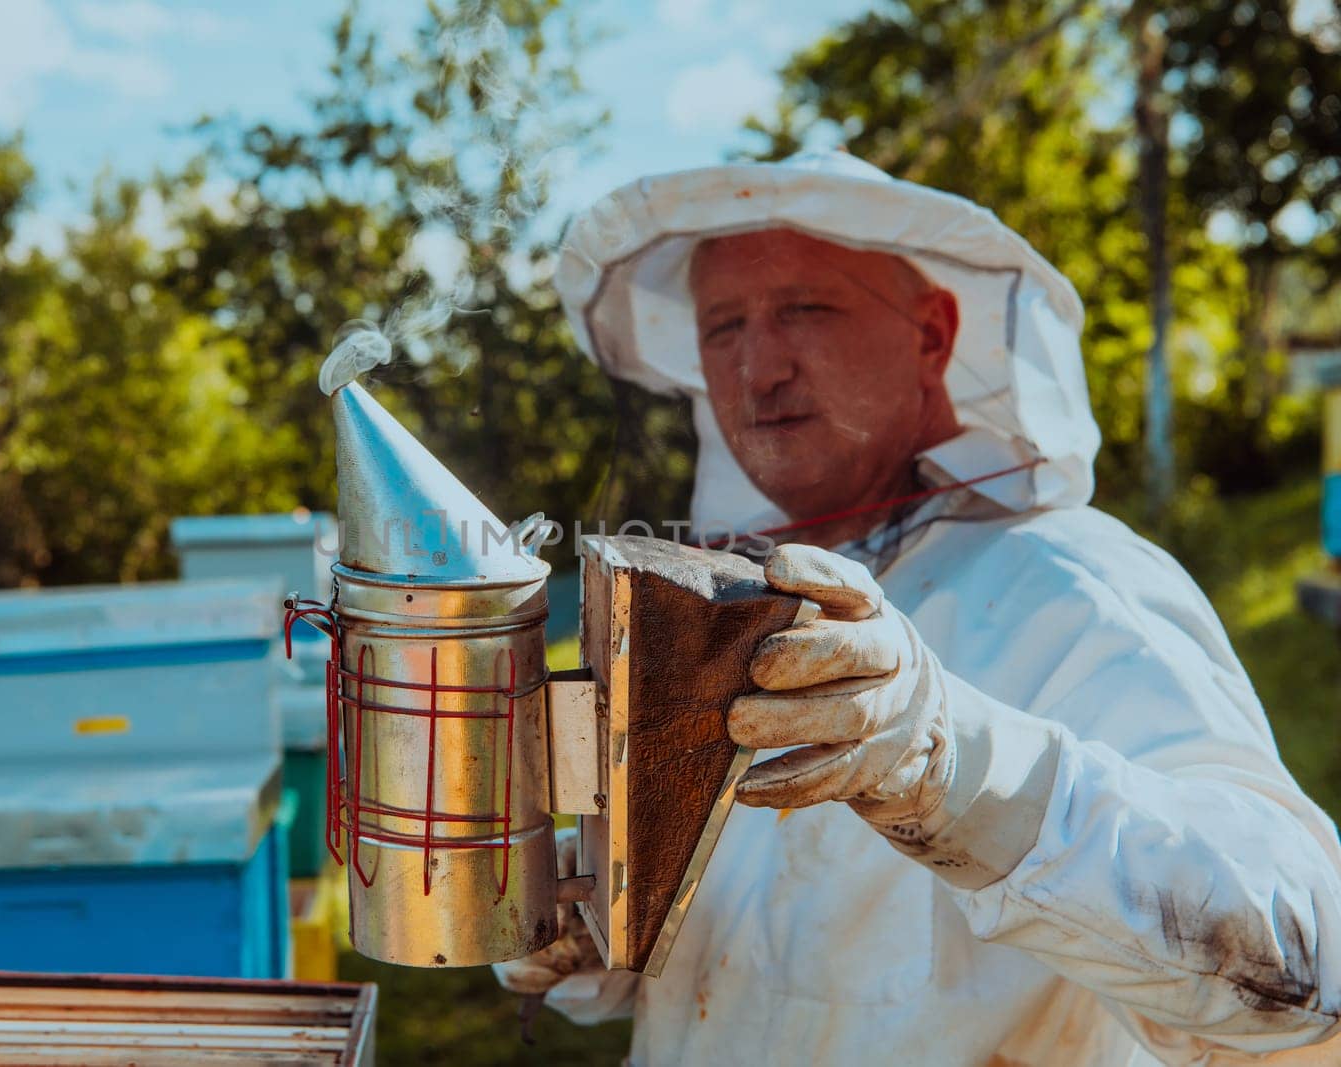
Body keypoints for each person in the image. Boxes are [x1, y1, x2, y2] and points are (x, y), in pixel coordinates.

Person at [495, 152, 1341, 1065]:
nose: (757, 367)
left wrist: (954, 763)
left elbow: (1303, 962)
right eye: (722, 325)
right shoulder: (729, 601)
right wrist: (581, 925)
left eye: (805, 310)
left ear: (933, 334)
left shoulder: (1074, 583)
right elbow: (728, 963)